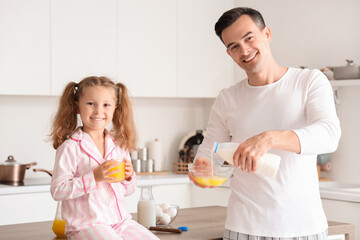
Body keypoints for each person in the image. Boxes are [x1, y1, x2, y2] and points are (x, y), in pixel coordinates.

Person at [189, 7, 341, 240]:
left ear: (267, 34)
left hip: (304, 227)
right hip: (244, 228)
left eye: (248, 38)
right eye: (234, 46)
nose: (244, 50)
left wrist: (269, 138)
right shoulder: (227, 97)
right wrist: (203, 165)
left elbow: (329, 134)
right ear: (229, 54)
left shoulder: (309, 81)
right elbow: (211, 150)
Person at [50, 76, 159, 240]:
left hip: (120, 221)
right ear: (77, 107)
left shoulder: (118, 146)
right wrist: (94, 177)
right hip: (86, 225)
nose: (98, 111)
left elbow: (129, 190)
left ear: (115, 108)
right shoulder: (70, 147)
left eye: (106, 105)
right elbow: (58, 190)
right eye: (90, 103)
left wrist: (129, 177)